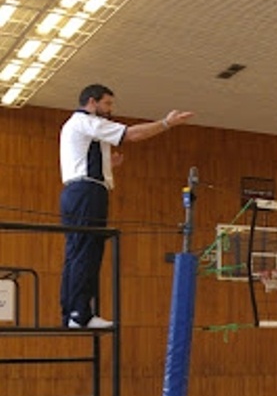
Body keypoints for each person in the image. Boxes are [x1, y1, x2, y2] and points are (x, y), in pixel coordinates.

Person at [60, 84, 194, 328]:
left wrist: (108, 166)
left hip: (81, 191)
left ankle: (72, 312)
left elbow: (81, 160)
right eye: (107, 104)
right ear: (92, 102)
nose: (110, 110)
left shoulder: (79, 127)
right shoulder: (84, 120)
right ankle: (79, 313)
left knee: (78, 251)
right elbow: (131, 135)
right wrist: (166, 123)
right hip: (86, 193)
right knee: (86, 252)